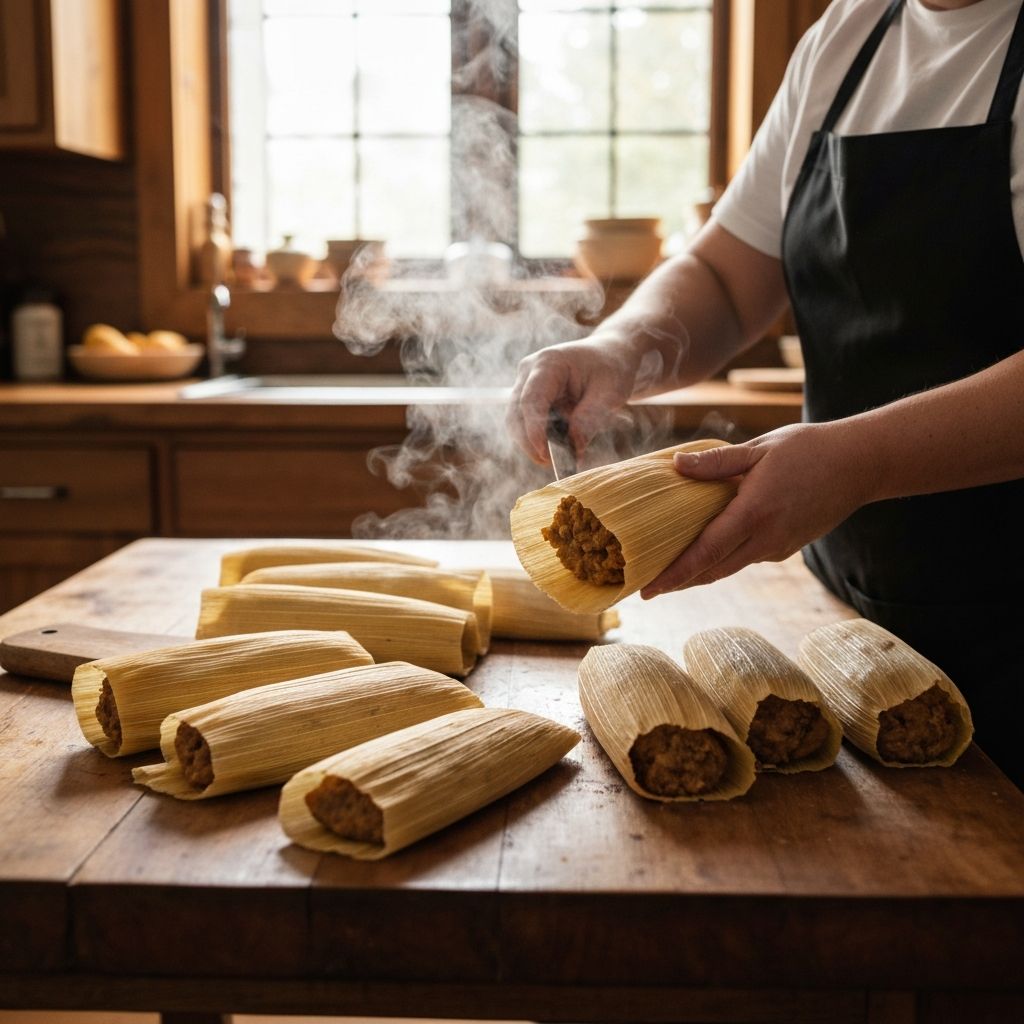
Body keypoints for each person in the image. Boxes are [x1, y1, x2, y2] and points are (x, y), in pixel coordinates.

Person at [507, 0, 1024, 787]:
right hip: (858, 608)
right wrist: (617, 348)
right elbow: (724, 274)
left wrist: (858, 461)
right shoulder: (848, 36)